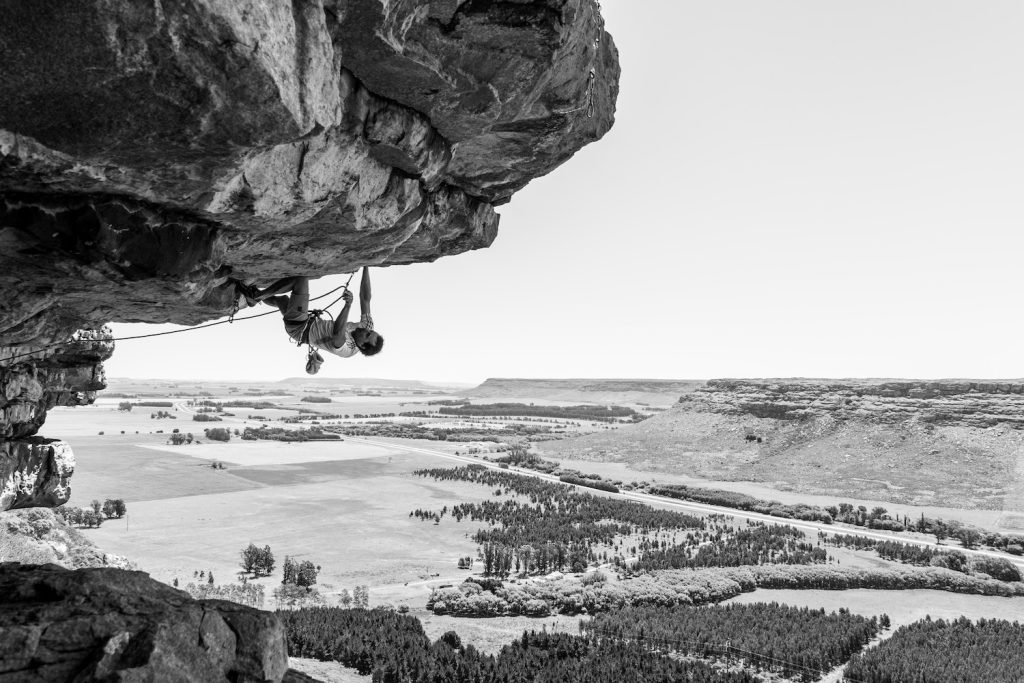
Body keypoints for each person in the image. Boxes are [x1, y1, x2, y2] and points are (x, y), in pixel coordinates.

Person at [237, 267, 383, 374]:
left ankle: (255, 298)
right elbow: (365, 298)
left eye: (367, 335)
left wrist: (348, 305)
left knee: (301, 281)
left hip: (300, 328)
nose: (366, 330)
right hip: (306, 322)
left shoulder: (348, 350)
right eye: (371, 331)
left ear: (362, 346)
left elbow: (338, 332)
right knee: (282, 300)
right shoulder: (366, 327)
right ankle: (252, 293)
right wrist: (366, 265)